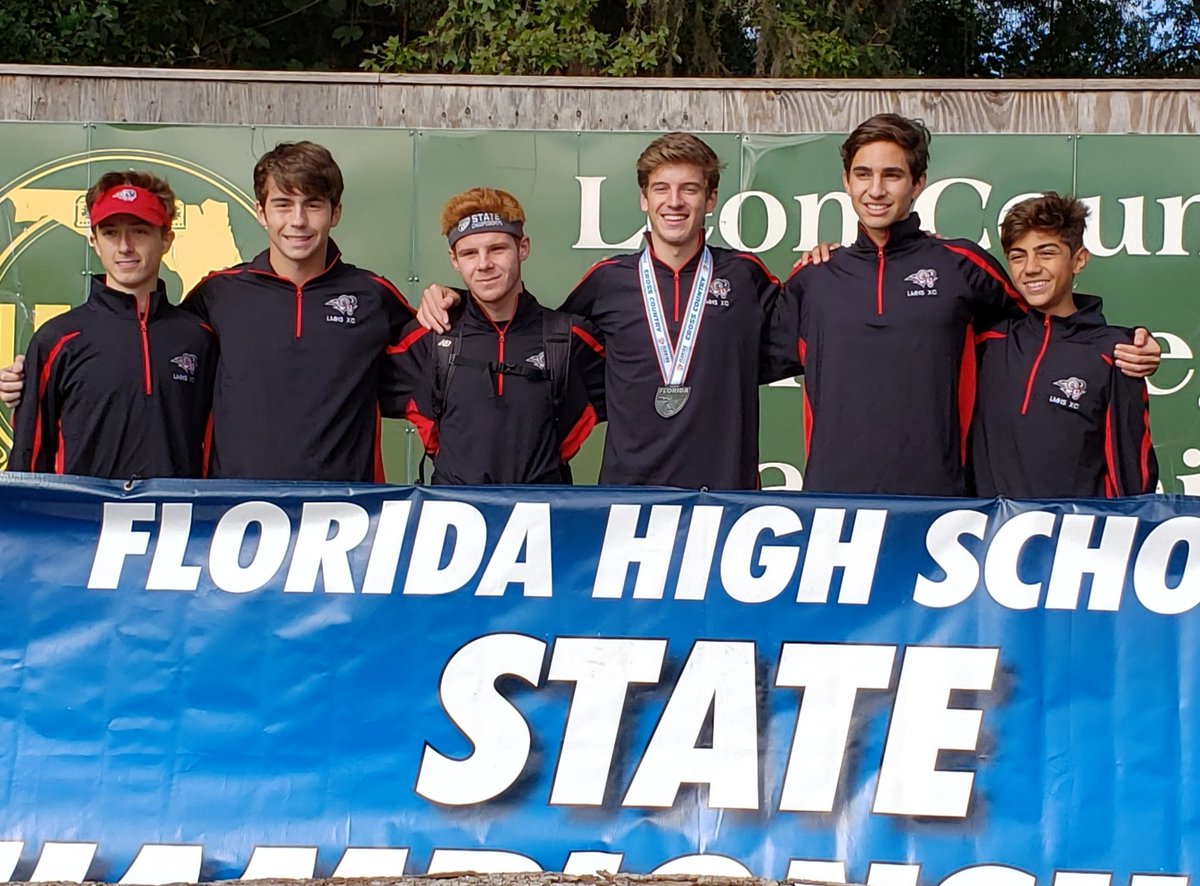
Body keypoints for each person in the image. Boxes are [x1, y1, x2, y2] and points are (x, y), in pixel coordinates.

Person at [783, 113, 1159, 496]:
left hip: (944, 508)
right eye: (863, 174)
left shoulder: (962, 265)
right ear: (846, 181)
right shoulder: (813, 279)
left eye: (892, 175)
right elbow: (737, 353)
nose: (876, 189)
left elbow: (1044, 327)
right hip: (830, 505)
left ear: (918, 183)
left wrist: (1128, 347)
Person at [2, 142, 415, 481]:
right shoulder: (216, 296)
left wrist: (449, 297)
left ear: (335, 212)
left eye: (313, 205)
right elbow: (140, 347)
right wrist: (30, 378)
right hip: (228, 519)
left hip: (347, 522)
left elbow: (445, 362)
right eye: (283, 205)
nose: (298, 221)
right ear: (261, 212)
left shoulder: (373, 296)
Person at [418, 132, 795, 490]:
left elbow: (808, 328)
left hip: (726, 493)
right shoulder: (607, 282)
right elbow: (533, 336)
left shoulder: (745, 276)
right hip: (627, 501)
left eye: (690, 189)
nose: (675, 201)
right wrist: (463, 300)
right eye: (661, 188)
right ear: (643, 199)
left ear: (711, 199)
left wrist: (822, 262)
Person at [381, 187, 603, 484]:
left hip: (543, 520)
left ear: (523, 248)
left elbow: (635, 396)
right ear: (454, 260)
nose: (484, 264)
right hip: (453, 518)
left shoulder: (571, 337)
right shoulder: (430, 337)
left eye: (497, 249)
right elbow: (344, 395)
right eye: (470, 253)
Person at [8, 171, 216, 478]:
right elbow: (29, 455)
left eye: (139, 231)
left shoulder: (199, 339)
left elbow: (217, 448)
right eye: (110, 233)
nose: (124, 247)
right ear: (94, 241)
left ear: (166, 239)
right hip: (83, 523)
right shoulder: (58, 339)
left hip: (177, 521)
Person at [969, 193, 1157, 497]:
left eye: (1046, 253)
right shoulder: (987, 341)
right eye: (1018, 256)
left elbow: (1133, 476)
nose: (1030, 268)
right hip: (991, 539)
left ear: (1078, 260)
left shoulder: (1116, 353)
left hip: (1074, 539)